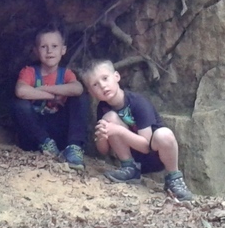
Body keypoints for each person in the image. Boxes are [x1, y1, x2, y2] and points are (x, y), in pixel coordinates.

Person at [82, 59, 193, 202]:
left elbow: (146, 146)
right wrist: (103, 136)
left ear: (116, 76)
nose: (102, 86)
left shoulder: (138, 102)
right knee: (109, 117)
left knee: (164, 134)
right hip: (133, 158)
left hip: (156, 154)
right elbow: (103, 151)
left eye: (105, 78)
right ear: (91, 92)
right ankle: (129, 169)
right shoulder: (103, 108)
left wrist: (117, 131)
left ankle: (174, 179)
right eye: (95, 84)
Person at [13, 27, 88, 169]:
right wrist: (54, 97)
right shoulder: (30, 72)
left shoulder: (65, 74)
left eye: (54, 46)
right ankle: (46, 144)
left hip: (58, 131)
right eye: (43, 46)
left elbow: (77, 88)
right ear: (36, 51)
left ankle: (74, 148)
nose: (49, 51)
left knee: (80, 98)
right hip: (35, 134)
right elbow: (21, 91)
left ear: (63, 50)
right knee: (20, 104)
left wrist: (44, 89)